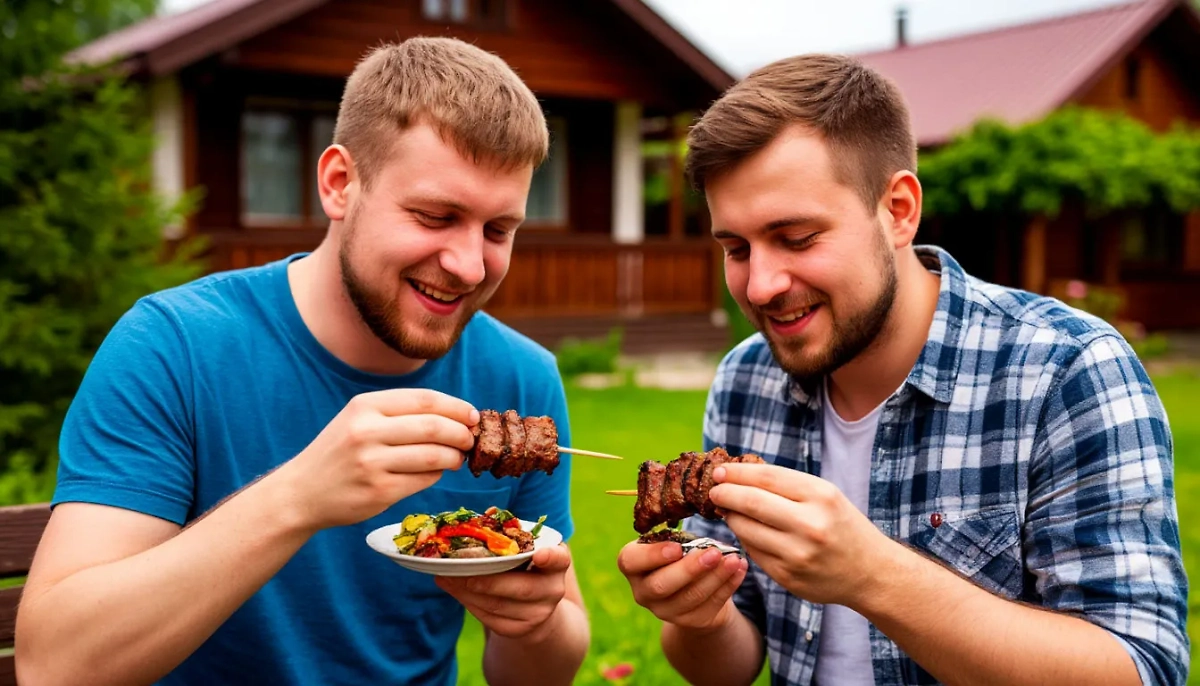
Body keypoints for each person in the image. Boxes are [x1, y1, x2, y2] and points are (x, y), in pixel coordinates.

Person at [15, 36, 590, 686]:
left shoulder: (519, 377)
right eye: (435, 216)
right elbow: (54, 666)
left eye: (498, 230)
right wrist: (299, 497)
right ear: (340, 184)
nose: (469, 266)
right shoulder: (173, 347)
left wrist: (535, 622)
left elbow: (541, 673)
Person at [617, 53, 1188, 686]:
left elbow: (1143, 667)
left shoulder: (1066, 371)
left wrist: (872, 575)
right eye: (736, 248)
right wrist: (701, 618)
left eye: (797, 238)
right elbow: (728, 665)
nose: (760, 285)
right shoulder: (746, 379)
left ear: (898, 210)